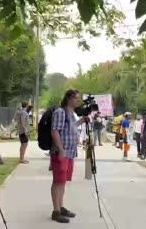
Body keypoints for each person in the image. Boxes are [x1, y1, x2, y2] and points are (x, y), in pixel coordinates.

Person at [50, 89, 87, 223]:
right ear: (69, 98)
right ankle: (56, 211)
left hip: (70, 152)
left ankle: (60, 206)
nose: (79, 101)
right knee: (58, 181)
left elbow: (71, 127)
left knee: (63, 181)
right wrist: (61, 150)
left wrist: (82, 121)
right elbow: (55, 131)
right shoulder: (60, 112)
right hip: (62, 152)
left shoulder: (71, 114)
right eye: (76, 98)